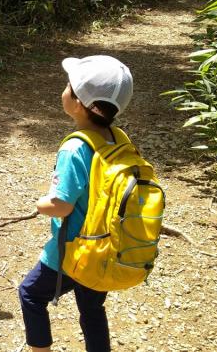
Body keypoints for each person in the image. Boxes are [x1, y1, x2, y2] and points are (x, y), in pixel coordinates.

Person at [17, 55, 134, 352]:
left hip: (72, 251)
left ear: (79, 103)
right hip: (104, 246)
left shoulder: (75, 148)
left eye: (68, 86)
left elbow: (61, 206)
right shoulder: (117, 138)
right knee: (92, 309)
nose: (64, 90)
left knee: (30, 294)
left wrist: (41, 204)